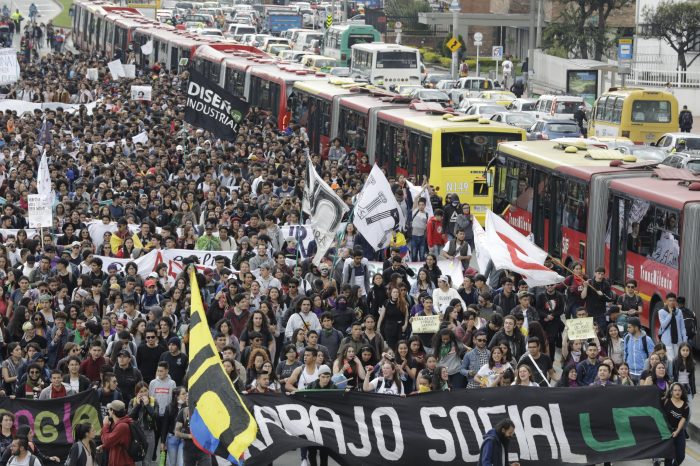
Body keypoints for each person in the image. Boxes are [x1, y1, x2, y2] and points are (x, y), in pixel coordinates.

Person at [101, 399, 135, 466]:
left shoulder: (122, 426)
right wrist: (103, 446)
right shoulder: (118, 423)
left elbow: (106, 441)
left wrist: (105, 425)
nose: (108, 411)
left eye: (109, 409)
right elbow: (109, 440)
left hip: (122, 462)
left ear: (112, 411)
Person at [662, 383, 689, 466]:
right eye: (675, 390)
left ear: (682, 392)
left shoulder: (686, 406)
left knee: (681, 456)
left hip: (679, 432)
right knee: (668, 457)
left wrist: (677, 431)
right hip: (667, 432)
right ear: (671, 392)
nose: (677, 392)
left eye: (679, 390)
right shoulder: (665, 401)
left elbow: (683, 420)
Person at [658, 293, 687, 369]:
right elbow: (663, 325)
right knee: (671, 361)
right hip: (667, 341)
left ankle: (677, 378)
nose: (672, 302)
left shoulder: (679, 312)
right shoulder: (661, 312)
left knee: (678, 361)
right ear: (666, 301)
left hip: (678, 341)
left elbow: (682, 327)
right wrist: (670, 314)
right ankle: (672, 378)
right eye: (670, 300)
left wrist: (685, 340)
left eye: (673, 300)